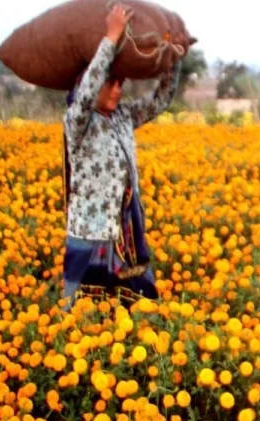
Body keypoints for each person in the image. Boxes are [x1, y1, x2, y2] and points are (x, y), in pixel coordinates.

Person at [60, 3, 183, 310]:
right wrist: (111, 37)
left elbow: (160, 99)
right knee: (83, 319)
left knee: (139, 312)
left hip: (127, 236)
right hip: (90, 236)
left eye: (120, 84)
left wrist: (174, 59)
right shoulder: (78, 122)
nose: (117, 91)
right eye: (110, 83)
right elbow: (88, 92)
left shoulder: (124, 117)